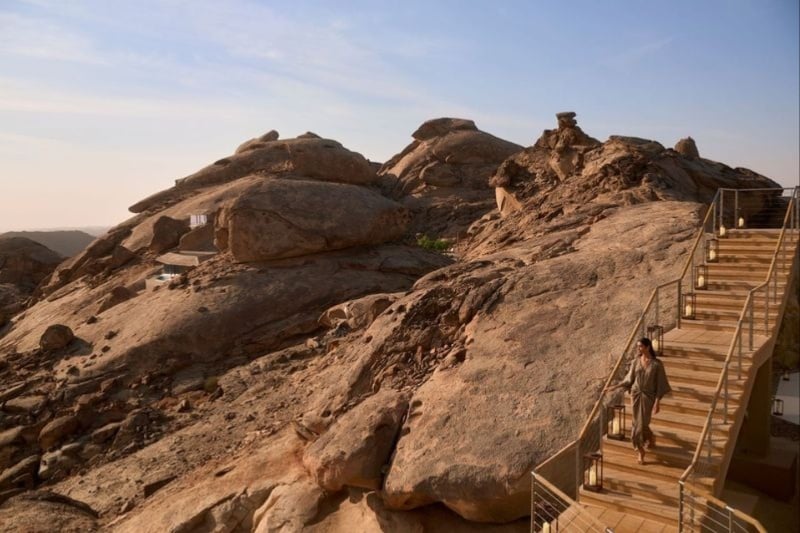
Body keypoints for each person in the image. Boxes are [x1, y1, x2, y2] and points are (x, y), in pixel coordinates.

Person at [606, 337, 671, 465]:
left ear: (647, 347)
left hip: (649, 397)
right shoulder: (635, 362)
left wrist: (657, 403)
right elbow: (629, 379)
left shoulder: (657, 364)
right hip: (635, 395)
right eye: (638, 346)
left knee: (642, 423)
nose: (638, 348)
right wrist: (615, 386)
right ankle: (640, 450)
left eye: (640, 346)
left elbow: (660, 385)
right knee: (637, 424)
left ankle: (649, 437)